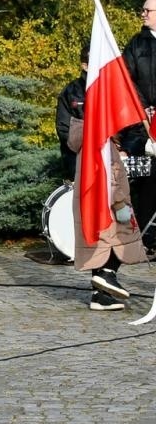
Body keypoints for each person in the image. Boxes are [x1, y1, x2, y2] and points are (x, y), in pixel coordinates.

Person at [64, 116, 146, 311]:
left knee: (99, 246)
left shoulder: (88, 138)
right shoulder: (101, 142)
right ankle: (107, 275)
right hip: (109, 204)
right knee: (117, 241)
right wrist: (119, 202)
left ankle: (100, 296)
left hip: (94, 202)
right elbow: (109, 174)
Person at [121, 0, 156, 248]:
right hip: (142, 125)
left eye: (147, 10)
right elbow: (127, 80)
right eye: (142, 10)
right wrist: (144, 108)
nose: (142, 14)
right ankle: (145, 236)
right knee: (146, 182)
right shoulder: (136, 44)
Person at [55, 46, 88, 182]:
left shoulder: (113, 90)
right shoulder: (70, 92)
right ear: (85, 66)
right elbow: (63, 128)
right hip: (77, 160)